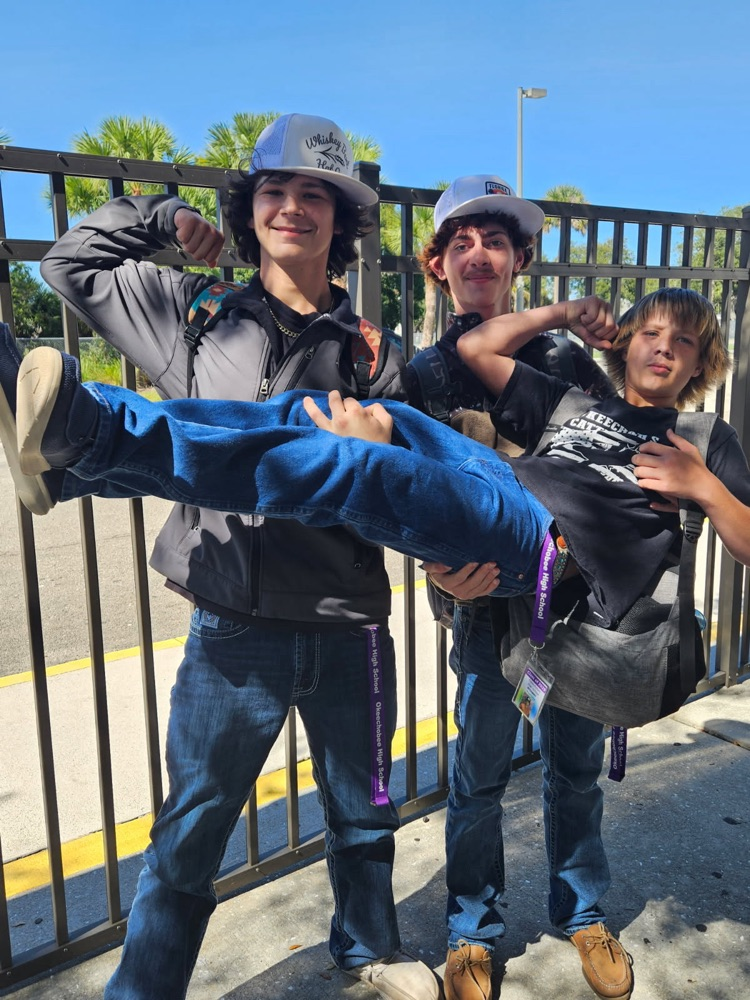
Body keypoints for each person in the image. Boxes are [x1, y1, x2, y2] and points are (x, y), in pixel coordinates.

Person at [4, 286, 747, 1000]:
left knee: (359, 471)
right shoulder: (576, 400)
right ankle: (74, 453)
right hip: (504, 544)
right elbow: (477, 349)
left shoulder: (706, 439)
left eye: (684, 340)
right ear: (625, 342)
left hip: (558, 576)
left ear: (703, 360)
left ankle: (583, 915)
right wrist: (562, 314)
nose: (664, 347)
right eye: (650, 331)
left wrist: (704, 488)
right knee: (333, 417)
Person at [20, 112, 442, 1000]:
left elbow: (406, 492)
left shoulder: (376, 355)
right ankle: (145, 989)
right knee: (190, 834)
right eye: (277, 191)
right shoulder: (193, 316)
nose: (294, 208)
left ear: (341, 219)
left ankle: (368, 951)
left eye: (315, 195)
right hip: (229, 633)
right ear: (251, 209)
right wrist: (165, 219)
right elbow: (67, 264)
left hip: (350, 629)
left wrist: (428, 525)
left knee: (365, 815)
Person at [414, 178, 627, 1000]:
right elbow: (398, 487)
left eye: (495, 242)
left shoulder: (566, 361)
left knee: (573, 771)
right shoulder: (424, 373)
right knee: (479, 777)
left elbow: (610, 472)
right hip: (480, 617)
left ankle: (582, 912)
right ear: (438, 265)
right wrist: (433, 564)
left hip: (574, 613)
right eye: (461, 241)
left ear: (517, 263)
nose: (478, 254)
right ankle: (472, 930)